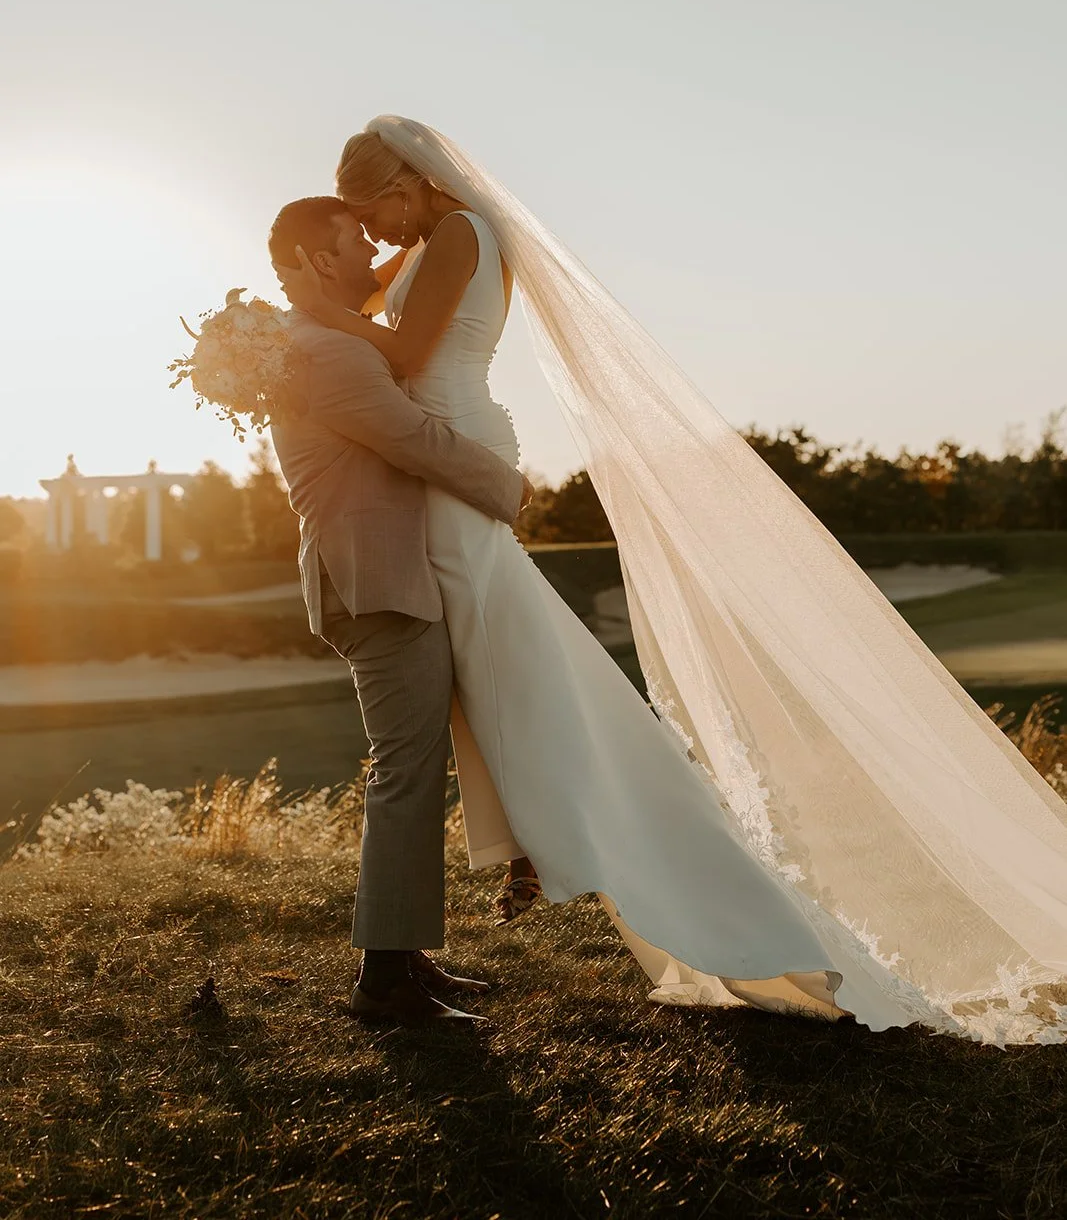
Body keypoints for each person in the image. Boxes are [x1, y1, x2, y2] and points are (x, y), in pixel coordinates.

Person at [277, 116, 1067, 1046]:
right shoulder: (426, 240)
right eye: (364, 226)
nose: (377, 239)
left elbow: (402, 358)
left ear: (413, 184)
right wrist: (287, 312)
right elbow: (351, 298)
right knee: (505, 672)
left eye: (380, 213)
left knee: (511, 673)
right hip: (443, 471)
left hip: (457, 457)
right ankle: (525, 841)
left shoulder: (456, 233)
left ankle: (556, 833)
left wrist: (295, 319)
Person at [267, 195, 535, 1026]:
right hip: (376, 580)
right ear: (316, 259)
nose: (370, 263)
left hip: (380, 574)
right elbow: (414, 441)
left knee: (412, 767)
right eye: (353, 245)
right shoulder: (325, 354)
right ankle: (385, 981)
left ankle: (406, 960)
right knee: (405, 772)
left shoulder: (314, 342)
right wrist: (512, 486)